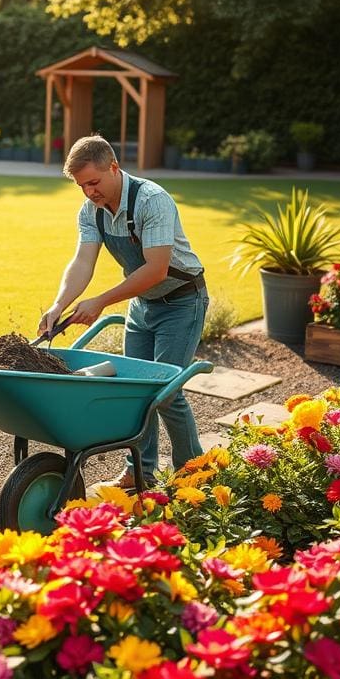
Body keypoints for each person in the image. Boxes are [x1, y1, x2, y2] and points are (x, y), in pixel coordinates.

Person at [38, 135, 208, 486]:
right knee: (134, 390)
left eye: (94, 182)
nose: (89, 192)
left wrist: (100, 301)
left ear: (114, 167)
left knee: (166, 391)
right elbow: (83, 261)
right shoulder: (91, 211)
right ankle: (139, 471)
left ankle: (195, 472)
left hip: (181, 302)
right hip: (143, 304)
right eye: (82, 186)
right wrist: (59, 305)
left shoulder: (151, 200)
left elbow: (156, 269)